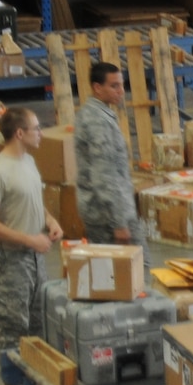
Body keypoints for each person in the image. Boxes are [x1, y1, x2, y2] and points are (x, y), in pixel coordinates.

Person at [0, 106, 65, 385]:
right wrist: (30, 240)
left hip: (33, 257)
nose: (41, 132)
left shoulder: (28, 161)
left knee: (38, 323)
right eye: (36, 128)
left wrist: (50, 220)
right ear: (20, 133)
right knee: (13, 327)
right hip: (11, 260)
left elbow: (33, 202)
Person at [73, 60, 143, 262]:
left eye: (122, 85)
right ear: (97, 87)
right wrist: (119, 223)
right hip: (108, 217)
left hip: (109, 212)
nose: (121, 91)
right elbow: (103, 176)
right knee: (129, 272)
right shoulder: (97, 122)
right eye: (114, 86)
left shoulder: (98, 114)